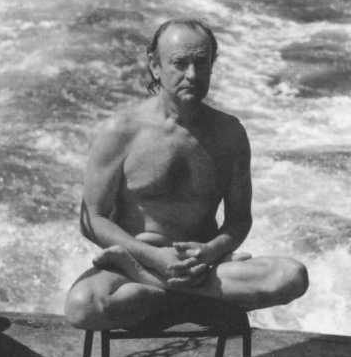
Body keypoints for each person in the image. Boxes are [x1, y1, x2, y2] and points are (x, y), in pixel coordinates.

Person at [65, 18, 308, 330]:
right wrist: (153, 257)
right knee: (82, 307)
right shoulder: (121, 132)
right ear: (155, 66)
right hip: (134, 261)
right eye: (180, 64)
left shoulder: (229, 133)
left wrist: (211, 251)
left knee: (292, 276)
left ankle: (161, 291)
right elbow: (93, 220)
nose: (192, 75)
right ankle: (188, 296)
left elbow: (239, 220)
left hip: (203, 268)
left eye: (201, 63)